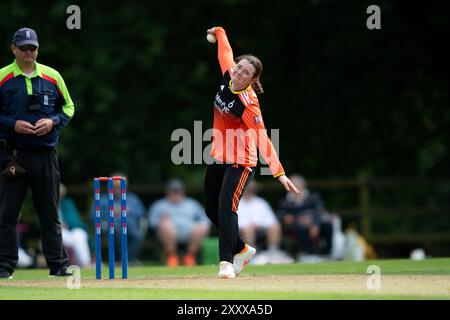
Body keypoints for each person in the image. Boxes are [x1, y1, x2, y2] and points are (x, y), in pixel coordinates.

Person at [204, 26, 302, 278]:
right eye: (239, 67)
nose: (238, 72)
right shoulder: (229, 74)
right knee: (210, 210)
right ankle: (242, 249)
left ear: (252, 80)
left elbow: (262, 138)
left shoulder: (249, 105)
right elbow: (224, 52)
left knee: (227, 206)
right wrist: (220, 31)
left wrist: (278, 172)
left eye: (246, 72)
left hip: (241, 161)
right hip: (218, 154)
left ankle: (226, 262)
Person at [0, 28, 75, 278]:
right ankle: (4, 266)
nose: (28, 53)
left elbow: (68, 106)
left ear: (38, 49)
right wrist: (13, 124)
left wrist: (53, 122)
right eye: (23, 48)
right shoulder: (3, 77)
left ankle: (58, 265)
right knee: (8, 213)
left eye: (32, 48)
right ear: (13, 49)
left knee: (50, 213)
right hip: (14, 154)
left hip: (46, 154)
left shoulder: (52, 76)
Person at [148, 179, 210, 267]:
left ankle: (190, 256)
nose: (175, 193)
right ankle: (171, 257)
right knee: (165, 225)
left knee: (203, 226)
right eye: (173, 191)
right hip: (168, 234)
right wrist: (161, 221)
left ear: (182, 191)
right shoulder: (160, 205)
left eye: (177, 191)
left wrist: (199, 223)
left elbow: (205, 219)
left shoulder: (192, 203)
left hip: (190, 232)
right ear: (168, 191)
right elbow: (151, 222)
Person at [277, 175, 334, 262]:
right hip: (296, 226)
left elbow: (319, 211)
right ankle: (308, 254)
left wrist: (314, 223)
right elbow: (281, 215)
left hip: (315, 223)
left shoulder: (313, 197)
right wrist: (293, 218)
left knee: (327, 224)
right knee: (300, 227)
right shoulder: (285, 202)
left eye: (297, 184)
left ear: (303, 185)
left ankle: (327, 253)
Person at [236, 180, 293, 264]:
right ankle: (251, 256)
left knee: (275, 226)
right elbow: (235, 220)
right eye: (247, 189)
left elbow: (270, 219)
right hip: (242, 230)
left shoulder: (261, 202)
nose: (249, 191)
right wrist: (249, 225)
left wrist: (259, 224)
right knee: (248, 229)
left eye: (251, 189)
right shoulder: (237, 203)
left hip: (261, 228)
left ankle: (272, 252)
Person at [97, 173, 147, 265]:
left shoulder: (133, 199)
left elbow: (141, 213)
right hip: (110, 227)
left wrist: (129, 210)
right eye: (115, 186)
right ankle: (120, 260)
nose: (118, 189)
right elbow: (95, 216)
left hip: (131, 226)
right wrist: (111, 212)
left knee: (137, 235)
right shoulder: (103, 199)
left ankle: (130, 260)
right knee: (118, 231)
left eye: (121, 186)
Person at [59, 183, 92, 268]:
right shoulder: (46, 205)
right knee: (62, 235)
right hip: (56, 232)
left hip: (71, 230)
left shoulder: (68, 203)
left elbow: (75, 221)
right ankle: (66, 264)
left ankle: (85, 264)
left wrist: (65, 224)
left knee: (80, 234)